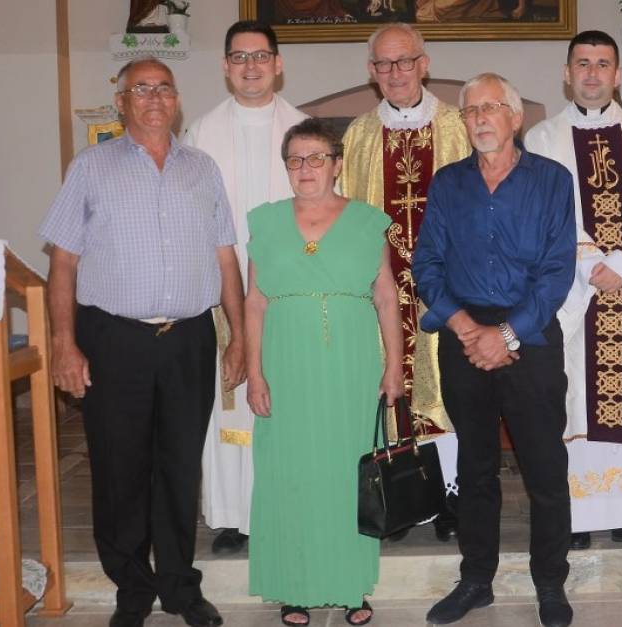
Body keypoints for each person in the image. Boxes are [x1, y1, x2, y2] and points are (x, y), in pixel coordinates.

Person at [40, 57, 240, 627]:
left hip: (189, 340)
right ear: (122, 102)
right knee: (119, 466)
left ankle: (179, 587)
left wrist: (239, 337)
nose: (155, 98)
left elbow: (226, 258)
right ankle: (132, 589)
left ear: (177, 100)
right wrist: (64, 343)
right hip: (113, 339)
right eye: (142, 89)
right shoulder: (90, 167)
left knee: (179, 466)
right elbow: (63, 263)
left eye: (164, 88)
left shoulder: (202, 168)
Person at [413, 73, 576, 627]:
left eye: (492, 107)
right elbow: (427, 264)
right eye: (471, 110)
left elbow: (557, 272)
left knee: (544, 467)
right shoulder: (448, 183)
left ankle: (550, 583)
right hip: (463, 337)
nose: (481, 118)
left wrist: (505, 335)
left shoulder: (551, 180)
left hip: (530, 338)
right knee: (475, 466)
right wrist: (465, 328)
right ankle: (476, 579)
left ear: (515, 116)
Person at [244, 118, 404, 627]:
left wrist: (394, 366)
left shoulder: (368, 221)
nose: (305, 168)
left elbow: (386, 297)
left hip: (351, 362)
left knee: (346, 471)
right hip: (285, 361)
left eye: (316, 158)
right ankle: (293, 586)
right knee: (289, 471)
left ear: (336, 164)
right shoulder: (265, 221)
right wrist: (255, 373)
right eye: (295, 159)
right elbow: (254, 303)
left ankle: (351, 584)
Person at [524, 29, 622, 551]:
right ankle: (578, 513)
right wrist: (589, 265)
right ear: (567, 74)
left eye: (602, 64)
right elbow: (539, 216)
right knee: (574, 396)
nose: (592, 73)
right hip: (572, 291)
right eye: (582, 63)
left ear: (618, 74)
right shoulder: (541, 138)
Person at [339, 22, 471, 540]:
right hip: (384, 293)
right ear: (371, 71)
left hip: (449, 291)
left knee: (449, 388)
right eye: (384, 64)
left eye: (404, 60)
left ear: (424, 64)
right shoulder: (359, 136)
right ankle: (404, 499)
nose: (395, 72)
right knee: (392, 384)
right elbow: (347, 221)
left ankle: (452, 497)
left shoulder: (458, 125)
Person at [184, 18, 308, 556]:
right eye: (239, 57)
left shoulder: (304, 131)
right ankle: (234, 514)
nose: (251, 66)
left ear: (278, 64)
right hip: (225, 294)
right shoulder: (200, 135)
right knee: (229, 405)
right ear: (225, 66)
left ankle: (289, 507)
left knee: (290, 401)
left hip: (291, 295)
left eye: (260, 56)